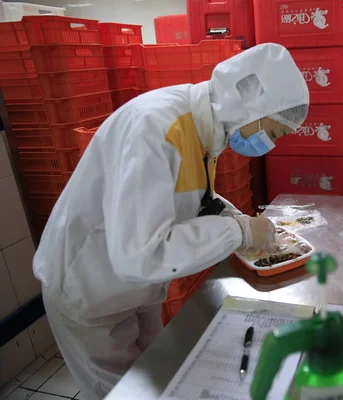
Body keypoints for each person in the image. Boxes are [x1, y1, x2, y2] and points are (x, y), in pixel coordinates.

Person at [33, 43, 309, 400]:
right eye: (271, 133)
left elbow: (191, 201)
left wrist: (235, 218)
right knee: (123, 393)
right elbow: (140, 254)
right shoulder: (156, 126)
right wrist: (239, 230)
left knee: (158, 379)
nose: (267, 144)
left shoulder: (203, 129)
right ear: (252, 103)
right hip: (90, 290)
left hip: (134, 290)